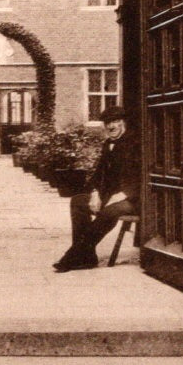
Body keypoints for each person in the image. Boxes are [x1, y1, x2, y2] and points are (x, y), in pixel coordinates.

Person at [53, 105, 138, 272]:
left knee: (109, 212)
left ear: (123, 122)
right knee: (78, 202)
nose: (110, 126)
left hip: (134, 198)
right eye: (107, 122)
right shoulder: (108, 144)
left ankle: (73, 256)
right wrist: (95, 193)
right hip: (111, 196)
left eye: (115, 121)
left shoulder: (136, 143)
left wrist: (123, 194)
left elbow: (142, 175)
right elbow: (99, 174)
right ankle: (88, 257)